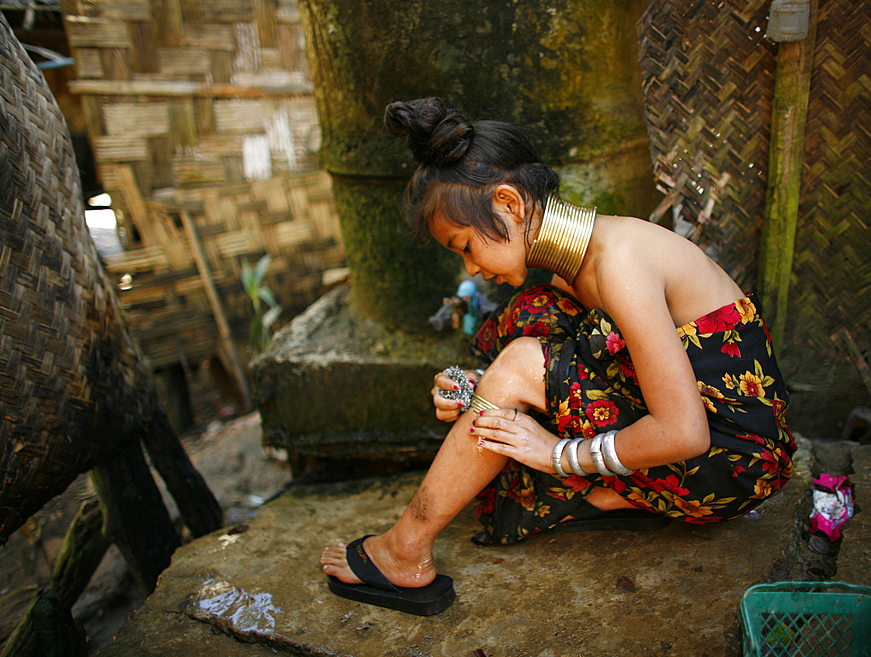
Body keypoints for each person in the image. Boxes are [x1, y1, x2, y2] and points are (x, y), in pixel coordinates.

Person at [321, 97, 795, 615]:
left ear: (508, 203)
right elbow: (565, 363)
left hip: (730, 462)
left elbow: (685, 432)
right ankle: (619, 493)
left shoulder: (622, 263)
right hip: (698, 443)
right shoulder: (575, 265)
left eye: (464, 246)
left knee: (525, 361)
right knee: (533, 317)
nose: (471, 269)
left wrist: (554, 454)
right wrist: (474, 384)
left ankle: (405, 548)